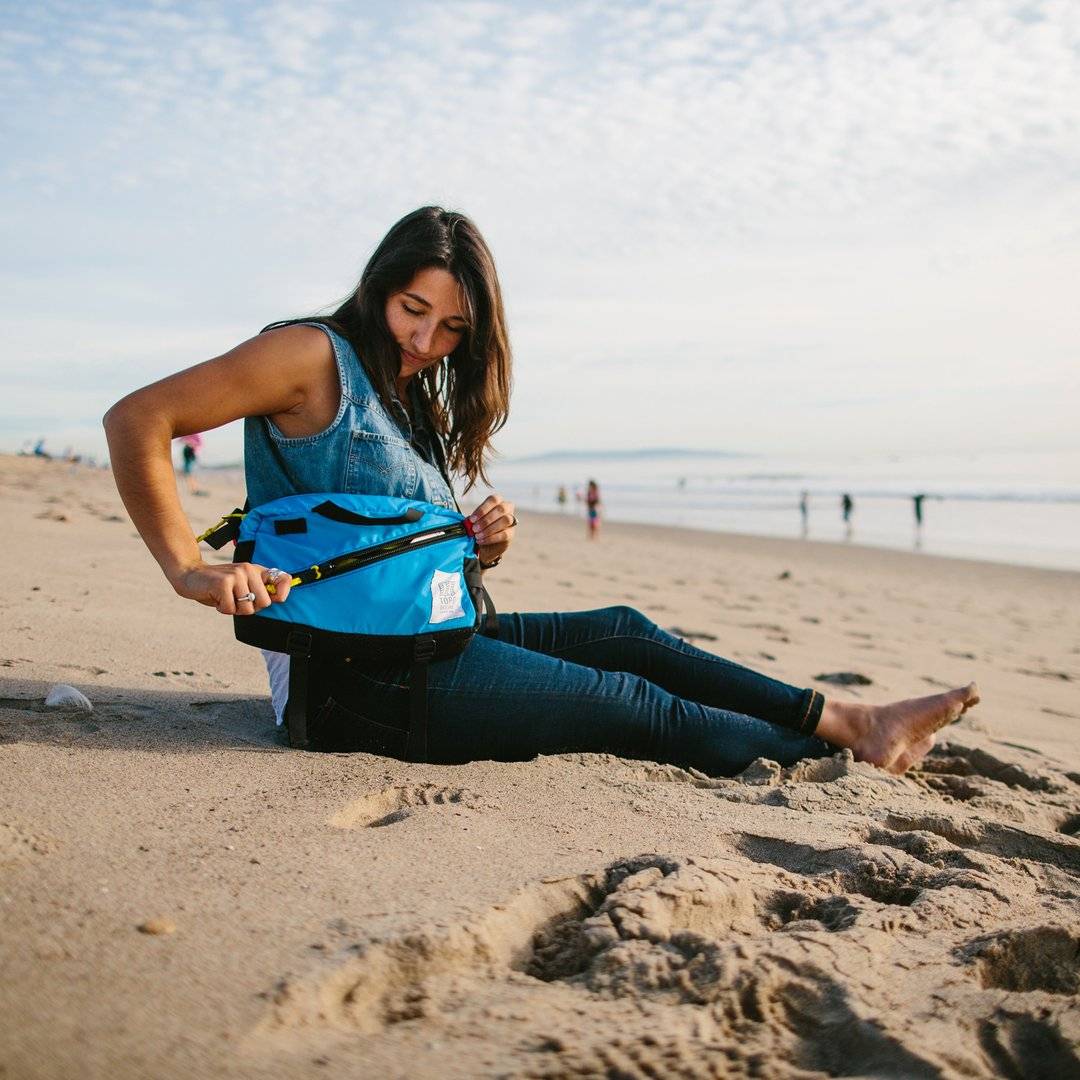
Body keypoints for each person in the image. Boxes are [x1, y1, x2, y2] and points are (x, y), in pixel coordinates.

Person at [103, 206, 978, 775]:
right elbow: (138, 418)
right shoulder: (307, 355)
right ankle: (837, 761)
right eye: (413, 309)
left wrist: (482, 540)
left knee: (626, 635)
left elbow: (373, 534)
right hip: (350, 685)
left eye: (451, 328)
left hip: (426, 634)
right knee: (641, 709)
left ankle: (851, 719)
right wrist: (188, 567)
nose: (426, 340)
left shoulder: (406, 391)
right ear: (378, 285)